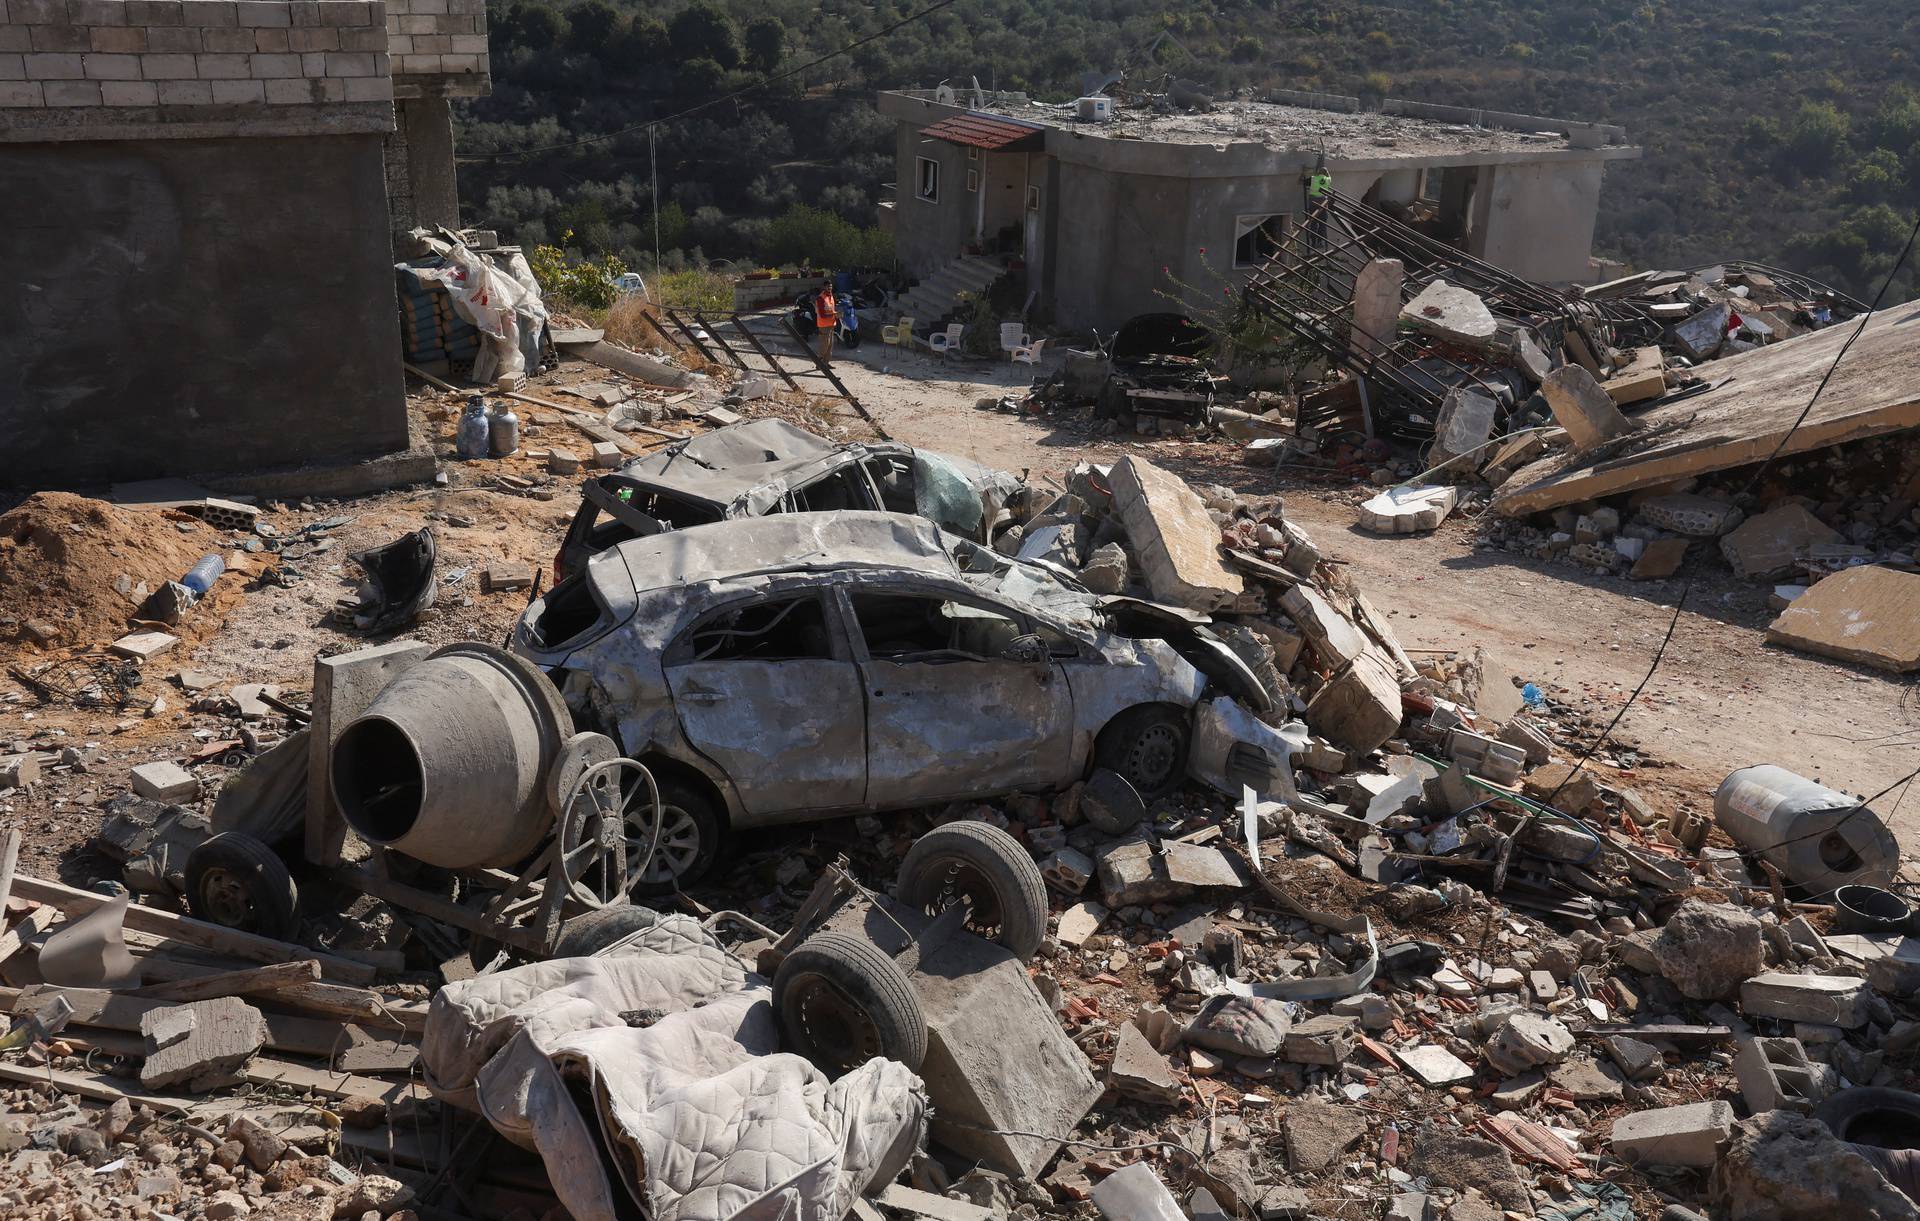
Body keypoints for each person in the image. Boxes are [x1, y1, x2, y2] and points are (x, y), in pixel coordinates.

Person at [812, 283, 838, 362]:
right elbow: (822, 315)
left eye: (831, 286)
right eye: (828, 286)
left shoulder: (831, 296)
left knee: (830, 345)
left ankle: (826, 363)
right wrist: (834, 315)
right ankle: (819, 363)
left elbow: (831, 309)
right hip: (824, 325)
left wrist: (836, 315)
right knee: (824, 345)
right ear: (824, 287)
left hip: (831, 324)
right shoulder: (820, 298)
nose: (829, 288)